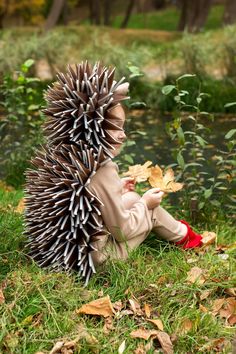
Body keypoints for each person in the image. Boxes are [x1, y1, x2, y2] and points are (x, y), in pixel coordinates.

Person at [88, 103, 203, 266]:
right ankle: (190, 240)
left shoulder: (76, 159)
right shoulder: (103, 169)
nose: (123, 135)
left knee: (131, 197)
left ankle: (184, 235)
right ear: (91, 127)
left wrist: (118, 188)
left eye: (123, 127)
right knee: (150, 209)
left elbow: (94, 199)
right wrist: (145, 203)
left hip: (72, 251)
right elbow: (122, 232)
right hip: (100, 259)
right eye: (116, 127)